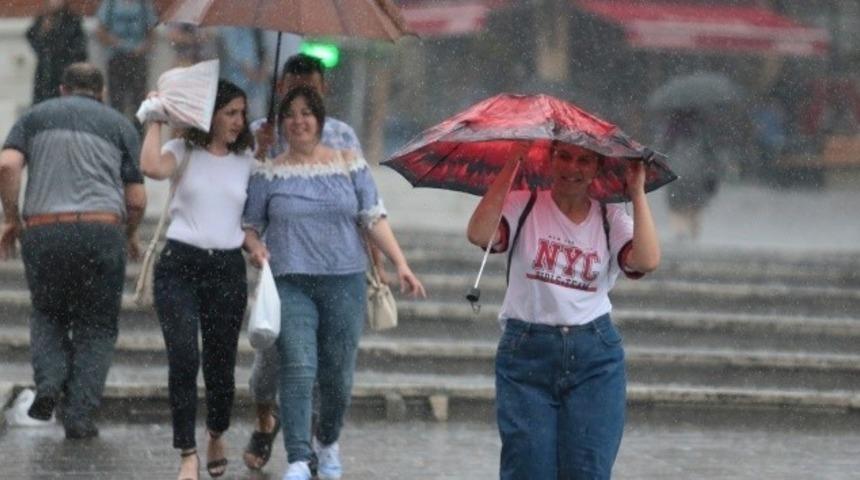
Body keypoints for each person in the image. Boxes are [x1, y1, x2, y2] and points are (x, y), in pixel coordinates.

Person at [242, 85, 426, 480]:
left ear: (320, 121)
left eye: (306, 113)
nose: (298, 121)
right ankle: (297, 458)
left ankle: (327, 442)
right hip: (291, 282)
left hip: (344, 282)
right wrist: (256, 248)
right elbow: (250, 226)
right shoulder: (267, 172)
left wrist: (401, 264)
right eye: (289, 114)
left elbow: (373, 217)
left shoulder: (349, 163)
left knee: (338, 376)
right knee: (298, 367)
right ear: (280, 124)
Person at [466, 143, 660, 480]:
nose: (573, 167)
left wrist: (637, 192)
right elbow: (479, 233)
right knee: (528, 470)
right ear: (550, 159)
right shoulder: (523, 203)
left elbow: (646, 260)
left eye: (585, 160)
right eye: (565, 156)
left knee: (588, 470)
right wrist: (513, 162)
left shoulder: (610, 217)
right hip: (527, 354)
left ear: (597, 167)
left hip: (595, 358)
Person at [0, 62, 146, 439]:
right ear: (101, 93)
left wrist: (11, 218)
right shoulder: (119, 124)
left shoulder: (35, 117)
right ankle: (79, 416)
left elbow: (7, 165)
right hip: (101, 229)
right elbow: (137, 199)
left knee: (48, 315)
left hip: (46, 230)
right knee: (96, 326)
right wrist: (130, 235)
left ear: (62, 89)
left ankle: (49, 386)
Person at [242, 53, 369, 473]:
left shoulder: (344, 136)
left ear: (323, 91)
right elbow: (243, 198)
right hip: (282, 268)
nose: (302, 105)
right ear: (281, 88)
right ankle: (268, 422)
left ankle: (313, 444)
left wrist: (379, 260)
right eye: (294, 86)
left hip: (336, 266)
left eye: (311, 88)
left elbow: (359, 200)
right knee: (273, 367)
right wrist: (255, 151)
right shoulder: (263, 132)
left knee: (320, 369)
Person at [139, 80, 256, 480]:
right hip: (179, 267)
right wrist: (154, 118)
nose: (238, 121)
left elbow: (253, 217)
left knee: (222, 365)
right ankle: (187, 451)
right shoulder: (182, 150)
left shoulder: (248, 160)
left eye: (242, 113)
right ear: (210, 115)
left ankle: (216, 432)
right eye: (230, 113)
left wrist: (255, 246)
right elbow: (151, 168)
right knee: (184, 357)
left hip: (226, 268)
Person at [657, 109, 722, 242]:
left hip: (676, 170)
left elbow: (663, 149)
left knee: (677, 204)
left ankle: (680, 230)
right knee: (694, 203)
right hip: (696, 171)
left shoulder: (672, 128)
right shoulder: (702, 130)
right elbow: (710, 154)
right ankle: (693, 231)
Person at [95, 0, 158, 118]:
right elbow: (100, 30)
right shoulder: (110, 4)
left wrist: (142, 48)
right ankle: (117, 131)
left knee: (138, 102)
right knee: (116, 100)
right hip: (116, 58)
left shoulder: (144, 4)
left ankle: (137, 132)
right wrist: (117, 43)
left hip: (137, 59)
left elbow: (152, 32)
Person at [26, 0, 87, 105]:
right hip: (45, 71)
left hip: (65, 69)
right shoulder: (43, 20)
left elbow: (78, 47)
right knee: (43, 101)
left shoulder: (72, 20)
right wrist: (43, 32)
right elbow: (34, 39)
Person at [218, 27, 269, 121]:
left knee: (257, 120)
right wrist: (254, 74)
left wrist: (264, 69)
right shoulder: (230, 28)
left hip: (257, 87)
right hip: (238, 83)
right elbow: (235, 53)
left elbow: (264, 50)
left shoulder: (256, 28)